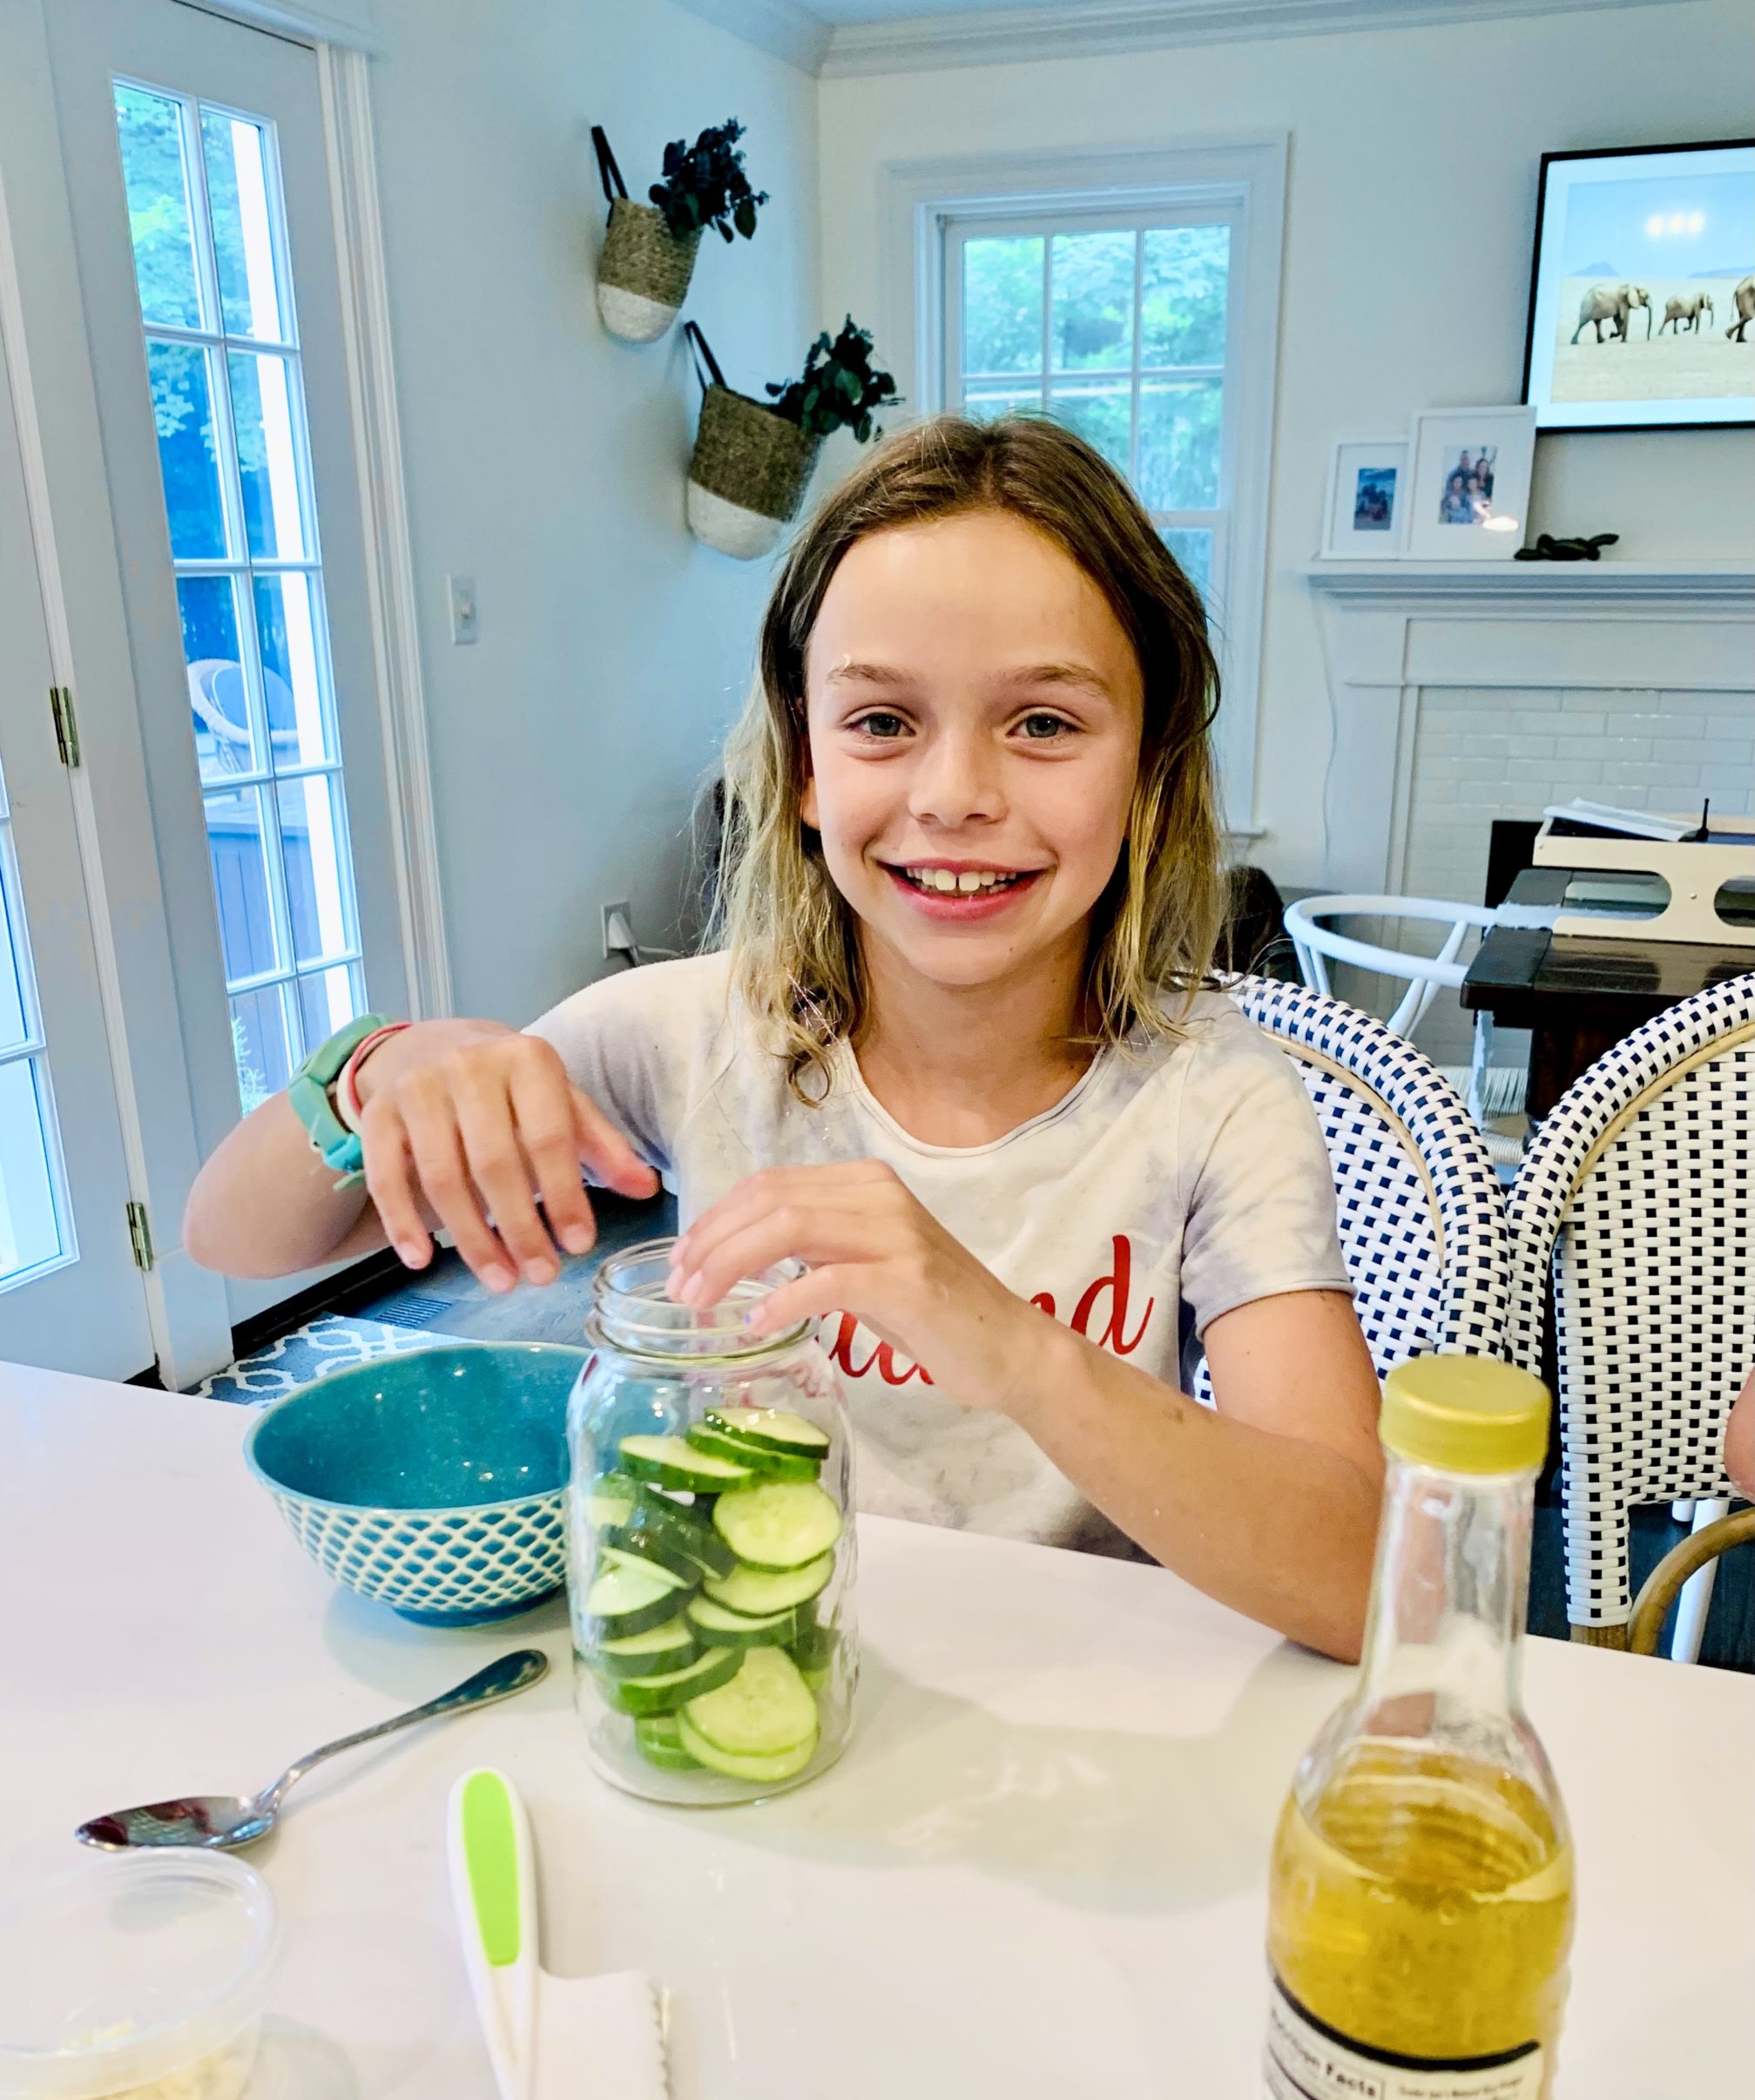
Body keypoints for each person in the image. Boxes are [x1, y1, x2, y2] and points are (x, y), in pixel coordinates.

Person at [185, 415, 1382, 1660]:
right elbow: (235, 1234)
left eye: (1043, 724)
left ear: (1145, 770)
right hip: (751, 1689)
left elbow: (1355, 1580)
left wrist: (1020, 1352)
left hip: (1071, 1723)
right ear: (805, 763)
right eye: (881, 723)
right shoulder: (686, 1034)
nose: (953, 794)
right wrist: (382, 1070)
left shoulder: (1216, 1100)